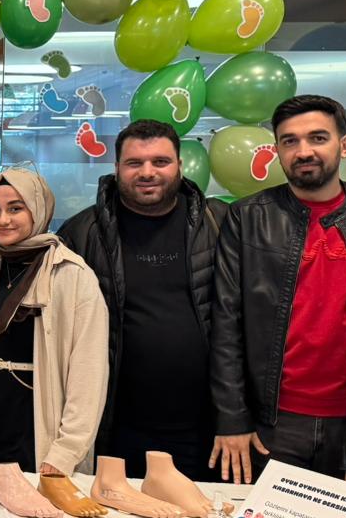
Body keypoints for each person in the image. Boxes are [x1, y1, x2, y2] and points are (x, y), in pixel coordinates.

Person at [210, 95, 346, 483]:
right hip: (272, 424)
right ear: (277, 150)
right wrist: (232, 417)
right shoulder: (247, 217)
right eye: (289, 141)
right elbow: (226, 324)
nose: (303, 151)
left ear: (344, 145)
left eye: (318, 138)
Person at [58, 119, 227, 481]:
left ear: (180, 165)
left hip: (204, 427)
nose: (147, 172)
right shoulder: (81, 233)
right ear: (117, 167)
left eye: (160, 162)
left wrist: (236, 416)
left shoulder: (219, 224)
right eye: (134, 163)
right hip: (115, 426)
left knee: (200, 512)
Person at [0, 168, 109, 487]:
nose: (3, 220)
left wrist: (66, 452)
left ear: (38, 209)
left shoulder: (71, 274)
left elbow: (89, 372)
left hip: (41, 423)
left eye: (15, 208)